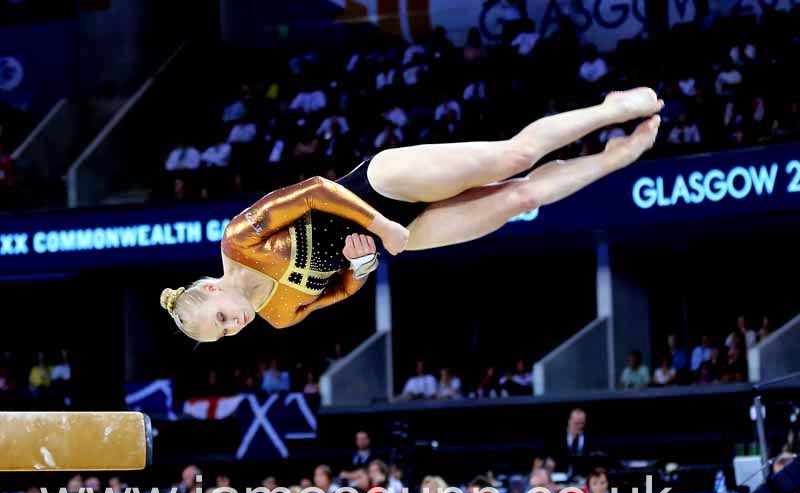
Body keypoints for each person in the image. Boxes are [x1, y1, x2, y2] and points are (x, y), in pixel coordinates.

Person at [161, 88, 663, 340]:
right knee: (517, 200)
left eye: (222, 318)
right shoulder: (277, 316)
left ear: (211, 288)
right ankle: (612, 158)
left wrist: (380, 225)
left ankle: (608, 108)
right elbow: (339, 288)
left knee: (512, 158)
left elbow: (314, 191)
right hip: (404, 235)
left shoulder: (238, 241)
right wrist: (360, 267)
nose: (235, 325)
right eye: (226, 333)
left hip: (380, 187)